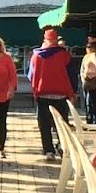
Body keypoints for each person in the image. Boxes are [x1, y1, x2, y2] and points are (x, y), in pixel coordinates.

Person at [29, 28, 79, 160]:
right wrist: (73, 92)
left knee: (44, 124)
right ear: (56, 40)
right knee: (62, 123)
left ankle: (48, 150)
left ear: (44, 40)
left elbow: (31, 75)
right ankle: (62, 146)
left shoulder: (36, 56)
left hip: (42, 93)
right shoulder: (64, 55)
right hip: (61, 94)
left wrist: (35, 90)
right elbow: (72, 75)